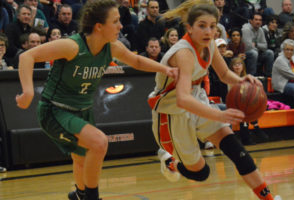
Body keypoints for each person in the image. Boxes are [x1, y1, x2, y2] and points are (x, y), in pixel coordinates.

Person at [15, 1, 178, 200]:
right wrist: (28, 93)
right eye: (116, 21)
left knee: (81, 157)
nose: (121, 26)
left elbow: (136, 61)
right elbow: (27, 57)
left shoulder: (112, 47)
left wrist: (165, 69)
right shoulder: (72, 46)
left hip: (82, 110)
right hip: (56, 110)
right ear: (99, 26)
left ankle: (80, 194)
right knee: (99, 142)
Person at [148, 2, 281, 200]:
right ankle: (169, 162)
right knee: (200, 173)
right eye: (202, 25)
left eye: (212, 26)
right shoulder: (183, 53)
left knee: (236, 150)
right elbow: (183, 99)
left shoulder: (209, 43)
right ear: (189, 28)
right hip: (173, 112)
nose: (208, 31)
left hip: (197, 100)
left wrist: (242, 80)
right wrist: (219, 113)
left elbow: (225, 73)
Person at [228, 57, 269, 145]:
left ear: (243, 66)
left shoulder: (247, 77)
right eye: (235, 65)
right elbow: (231, 95)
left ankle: (251, 131)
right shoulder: (229, 78)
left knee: (251, 103)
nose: (237, 66)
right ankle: (254, 129)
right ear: (232, 67)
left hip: (243, 102)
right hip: (232, 102)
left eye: (239, 64)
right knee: (245, 107)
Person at [242, 12, 274, 77]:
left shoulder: (261, 30)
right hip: (246, 54)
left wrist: (256, 44)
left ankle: (268, 77)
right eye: (256, 20)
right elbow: (248, 47)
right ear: (251, 21)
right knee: (254, 53)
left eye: (260, 20)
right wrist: (259, 47)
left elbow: (265, 46)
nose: (258, 22)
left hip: (257, 52)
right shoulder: (246, 29)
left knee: (270, 53)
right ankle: (252, 76)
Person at [272, 39, 294, 108]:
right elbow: (290, 74)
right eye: (287, 49)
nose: (289, 52)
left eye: (291, 50)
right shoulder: (280, 60)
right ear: (283, 50)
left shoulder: (293, 58)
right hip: (283, 84)